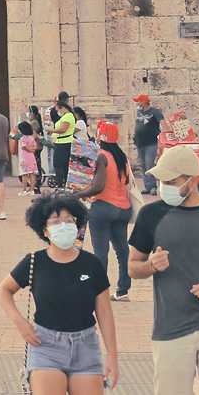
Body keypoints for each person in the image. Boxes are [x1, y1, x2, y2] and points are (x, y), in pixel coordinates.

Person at [128, 145, 199, 393]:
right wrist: (151, 265)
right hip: (170, 326)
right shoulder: (150, 214)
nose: (164, 186)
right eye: (162, 180)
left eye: (172, 181)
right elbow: (133, 267)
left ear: (193, 180)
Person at [0, 194, 118, 393]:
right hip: (46, 345)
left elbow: (104, 312)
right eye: (55, 222)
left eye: (69, 221)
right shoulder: (34, 262)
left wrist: (112, 356)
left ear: (77, 225)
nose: (63, 225)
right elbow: (4, 290)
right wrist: (20, 322)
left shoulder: (92, 264)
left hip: (86, 346)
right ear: (45, 230)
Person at [74, 123, 134, 303]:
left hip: (103, 207)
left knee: (101, 251)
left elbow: (99, 186)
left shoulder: (102, 156)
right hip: (123, 208)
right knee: (122, 250)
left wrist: (77, 194)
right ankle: (123, 291)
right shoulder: (121, 157)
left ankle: (99, 291)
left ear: (99, 138)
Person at [133, 95, 164, 196]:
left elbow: (163, 123)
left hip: (151, 143)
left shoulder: (155, 112)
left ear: (143, 102)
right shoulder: (139, 112)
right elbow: (136, 124)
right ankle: (147, 186)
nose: (137, 104)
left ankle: (153, 187)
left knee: (149, 164)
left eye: (138, 102)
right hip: (140, 142)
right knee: (143, 165)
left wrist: (168, 133)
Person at [52, 101, 77, 189]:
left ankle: (60, 186)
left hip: (64, 143)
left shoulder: (68, 116)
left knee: (58, 165)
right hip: (61, 142)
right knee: (64, 165)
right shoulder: (67, 116)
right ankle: (65, 185)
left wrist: (51, 130)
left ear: (62, 108)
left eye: (58, 110)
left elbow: (63, 129)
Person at [17, 121, 39, 197]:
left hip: (24, 157)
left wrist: (29, 149)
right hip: (31, 157)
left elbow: (24, 147)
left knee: (25, 174)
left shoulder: (22, 138)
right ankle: (32, 190)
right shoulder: (31, 138)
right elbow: (35, 146)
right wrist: (32, 150)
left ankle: (24, 190)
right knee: (32, 174)